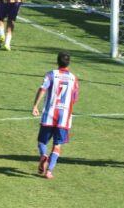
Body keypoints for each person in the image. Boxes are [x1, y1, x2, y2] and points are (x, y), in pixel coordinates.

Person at [31, 51, 79, 180]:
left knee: (42, 141)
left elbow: (42, 89)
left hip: (49, 115)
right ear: (69, 63)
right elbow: (74, 98)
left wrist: (35, 106)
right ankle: (49, 171)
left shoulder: (51, 75)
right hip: (64, 118)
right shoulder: (74, 78)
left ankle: (43, 155)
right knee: (57, 145)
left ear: (57, 61)